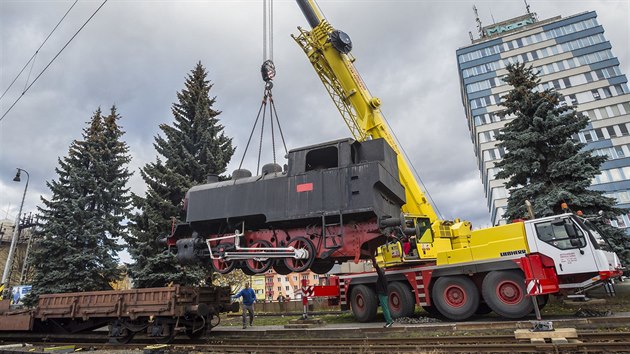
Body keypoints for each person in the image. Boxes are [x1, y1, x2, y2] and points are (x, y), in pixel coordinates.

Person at [372, 255, 394, 328]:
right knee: (385, 308)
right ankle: (390, 320)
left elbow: (379, 272)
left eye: (381, 270)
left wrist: (376, 266)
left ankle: (389, 321)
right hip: (383, 294)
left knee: (385, 308)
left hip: (382, 294)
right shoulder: (383, 278)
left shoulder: (382, 277)